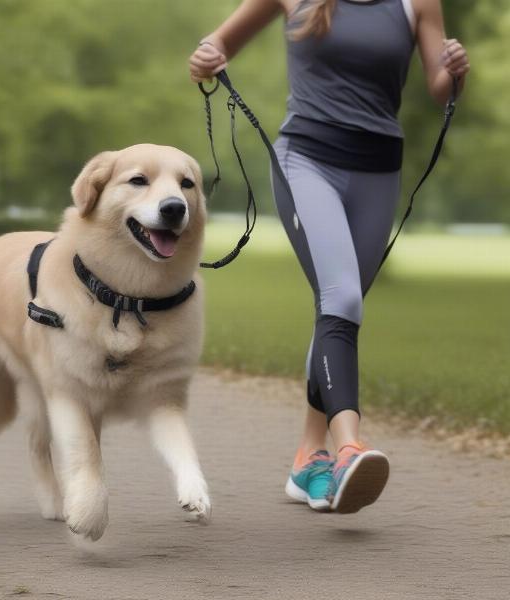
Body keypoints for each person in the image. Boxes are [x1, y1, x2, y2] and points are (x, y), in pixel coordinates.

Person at [188, 0, 470, 514]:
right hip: (307, 158)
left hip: (379, 170)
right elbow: (217, 45)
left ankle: (306, 459)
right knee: (342, 298)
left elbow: (437, 85)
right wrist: (208, 56)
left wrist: (453, 69)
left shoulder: (418, 3)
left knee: (337, 308)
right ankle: (348, 447)